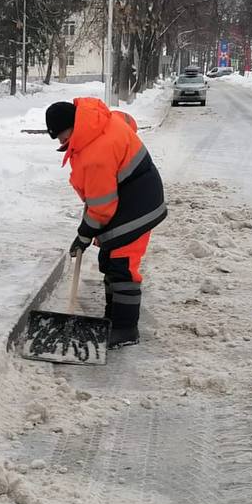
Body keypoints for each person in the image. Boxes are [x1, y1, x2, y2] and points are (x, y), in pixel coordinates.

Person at [45, 98, 167, 348]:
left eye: (61, 136)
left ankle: (125, 330)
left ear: (72, 126)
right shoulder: (98, 122)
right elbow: (127, 122)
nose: (61, 143)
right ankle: (113, 316)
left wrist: (84, 235)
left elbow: (101, 206)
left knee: (122, 266)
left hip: (137, 207)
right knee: (109, 259)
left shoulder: (95, 155)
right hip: (131, 198)